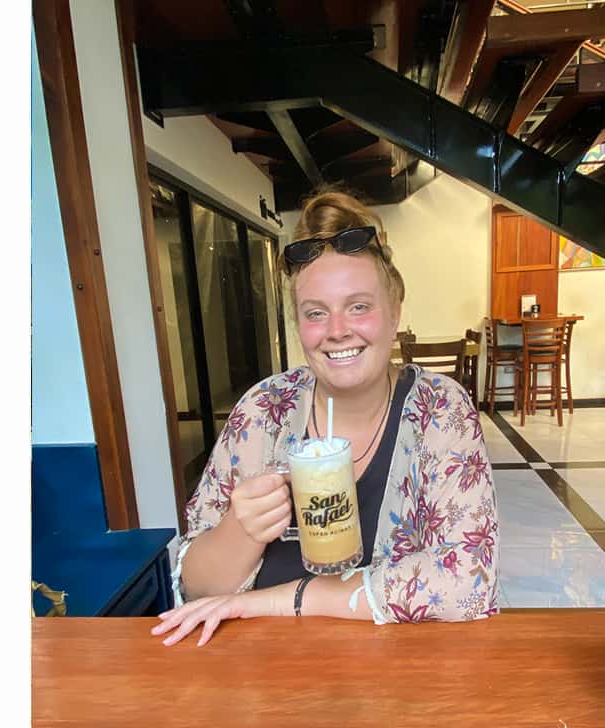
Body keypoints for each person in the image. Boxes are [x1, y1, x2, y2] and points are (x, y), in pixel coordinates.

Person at [151, 189, 499, 647]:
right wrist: (241, 530)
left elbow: (470, 580)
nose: (337, 330)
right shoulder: (262, 413)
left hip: (405, 686)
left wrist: (287, 598)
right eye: (316, 313)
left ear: (394, 313)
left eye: (359, 306)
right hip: (267, 675)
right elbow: (197, 589)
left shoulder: (441, 411)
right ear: (299, 326)